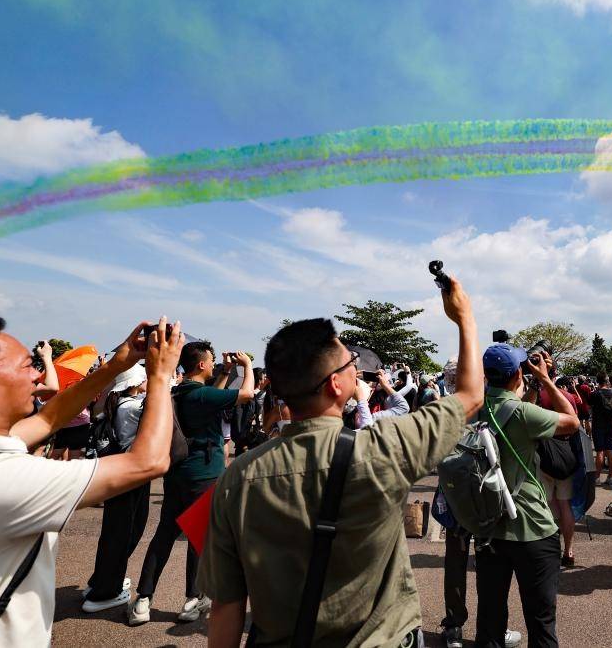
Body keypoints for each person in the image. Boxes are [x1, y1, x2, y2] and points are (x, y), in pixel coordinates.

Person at [198, 277, 483, 647]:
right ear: (335, 385)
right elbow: (471, 396)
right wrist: (464, 317)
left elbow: (226, 605)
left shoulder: (237, 477)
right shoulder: (384, 447)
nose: (356, 368)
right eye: (351, 362)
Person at [0, 314, 182, 647]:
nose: (38, 375)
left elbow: (48, 419)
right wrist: (161, 375)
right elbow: (148, 461)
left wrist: (116, 366)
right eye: (27, 366)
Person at [129, 344, 254, 626]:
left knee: (164, 536)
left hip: (177, 471)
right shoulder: (202, 394)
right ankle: (192, 600)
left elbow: (211, 397)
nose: (214, 363)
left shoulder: (179, 391)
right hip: (204, 473)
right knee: (199, 537)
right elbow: (246, 394)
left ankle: (143, 599)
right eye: (212, 361)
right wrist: (246, 366)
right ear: (201, 365)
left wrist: (225, 372)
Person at [472, 344, 579, 647]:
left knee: (490, 618)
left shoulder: (474, 408)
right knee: (540, 620)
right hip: (531, 527)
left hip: (489, 527)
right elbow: (571, 421)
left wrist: (530, 387)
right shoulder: (523, 413)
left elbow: (512, 412)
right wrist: (544, 379)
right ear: (518, 374)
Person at [81, 363, 151, 612]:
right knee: (126, 532)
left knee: (115, 532)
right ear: (136, 382)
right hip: (132, 474)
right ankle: (105, 593)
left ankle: (102, 580)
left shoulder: (117, 403)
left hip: (117, 471)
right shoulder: (133, 407)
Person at [533, 374, 581, 570]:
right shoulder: (568, 397)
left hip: (544, 454)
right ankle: (568, 550)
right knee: (565, 505)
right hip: (566, 455)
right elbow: (575, 425)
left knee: (546, 504)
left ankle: (550, 550)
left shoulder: (538, 396)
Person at [588, 374, 612, 488]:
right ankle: (610, 477)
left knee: (600, 451)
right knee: (609, 449)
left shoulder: (594, 394)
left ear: (598, 381)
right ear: (607, 381)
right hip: (610, 424)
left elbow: (589, 407)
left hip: (598, 424)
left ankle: (597, 478)